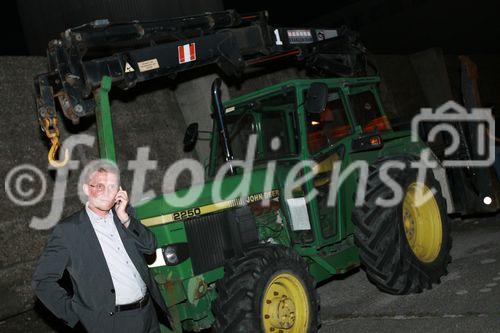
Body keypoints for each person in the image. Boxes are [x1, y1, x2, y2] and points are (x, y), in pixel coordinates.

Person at [32, 160, 172, 333]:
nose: (107, 193)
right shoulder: (68, 231)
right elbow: (43, 281)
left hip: (148, 313)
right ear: (86, 189)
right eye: (99, 186)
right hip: (113, 322)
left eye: (112, 187)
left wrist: (126, 218)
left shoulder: (125, 214)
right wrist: (76, 315)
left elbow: (150, 247)